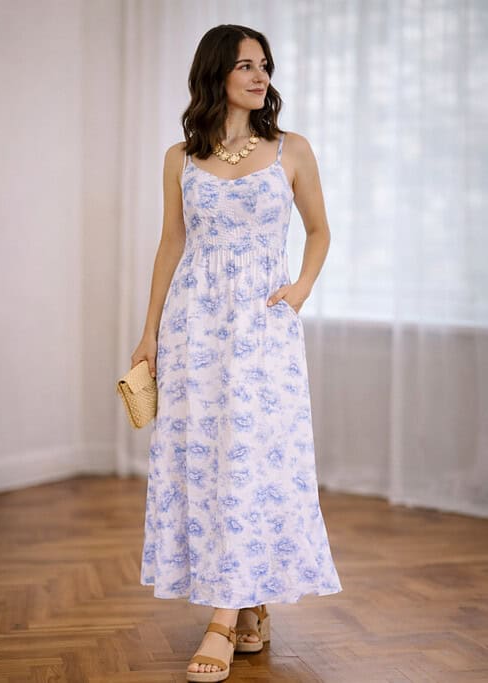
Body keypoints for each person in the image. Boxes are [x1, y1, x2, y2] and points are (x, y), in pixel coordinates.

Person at [129, 24, 342, 682]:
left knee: (252, 460)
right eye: (245, 64)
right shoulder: (180, 157)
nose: (259, 76)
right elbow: (172, 244)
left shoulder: (291, 151)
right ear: (216, 73)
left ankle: (222, 621)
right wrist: (149, 333)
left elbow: (319, 230)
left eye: (265, 65)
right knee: (212, 462)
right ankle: (248, 605)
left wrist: (301, 286)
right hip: (194, 326)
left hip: (261, 329)